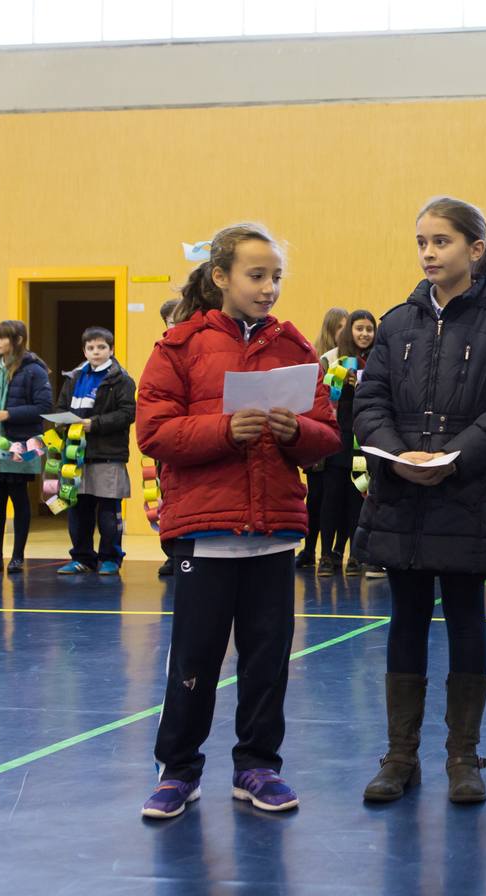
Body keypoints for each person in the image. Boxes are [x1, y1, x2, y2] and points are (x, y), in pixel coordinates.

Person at [136, 223, 340, 819]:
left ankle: (257, 766)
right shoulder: (179, 347)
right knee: (194, 659)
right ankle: (178, 771)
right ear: (221, 277)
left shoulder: (297, 350)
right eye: (257, 275)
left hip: (274, 535)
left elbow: (325, 437)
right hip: (207, 533)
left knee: (267, 658)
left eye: (276, 276)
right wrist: (225, 430)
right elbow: (153, 432)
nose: (269, 287)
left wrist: (295, 431)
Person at [354, 197, 486, 805]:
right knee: (404, 619)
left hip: (467, 494)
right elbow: (369, 403)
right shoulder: (396, 322)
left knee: (466, 619)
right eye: (422, 243)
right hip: (401, 498)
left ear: (474, 250)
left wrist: (451, 457)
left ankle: (464, 756)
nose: (429, 253)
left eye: (441, 241)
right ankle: (399, 755)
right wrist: (399, 455)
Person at [56, 327, 137, 576]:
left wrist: (95, 424)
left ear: (111, 350)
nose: (96, 352)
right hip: (76, 456)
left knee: (109, 514)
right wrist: (62, 426)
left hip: (107, 454)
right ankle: (82, 557)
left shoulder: (121, 379)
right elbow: (59, 408)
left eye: (101, 347)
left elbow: (127, 413)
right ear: (84, 351)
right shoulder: (74, 378)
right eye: (91, 348)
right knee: (78, 512)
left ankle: (111, 557)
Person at [0, 319, 52, 575]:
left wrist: (9, 414)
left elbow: (44, 408)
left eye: (2, 337)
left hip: (20, 445)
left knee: (19, 497)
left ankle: (18, 556)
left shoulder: (34, 370)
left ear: (18, 340)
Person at [318, 309, 376, 577]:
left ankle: (354, 555)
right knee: (331, 500)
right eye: (359, 329)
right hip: (338, 439)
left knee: (357, 499)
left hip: (363, 442)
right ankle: (326, 556)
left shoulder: (377, 361)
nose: (364, 334)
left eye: (369, 329)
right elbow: (329, 398)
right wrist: (344, 382)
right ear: (350, 331)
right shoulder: (339, 361)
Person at [299, 307, 349, 571]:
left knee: (335, 498)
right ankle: (309, 549)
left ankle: (333, 552)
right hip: (319, 436)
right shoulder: (321, 359)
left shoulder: (348, 362)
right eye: (341, 327)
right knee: (315, 497)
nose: (346, 332)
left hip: (340, 438)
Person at [155, 299, 180, 577]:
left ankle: (183, 549)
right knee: (164, 497)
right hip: (166, 437)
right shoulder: (161, 353)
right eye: (171, 321)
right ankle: (170, 552)